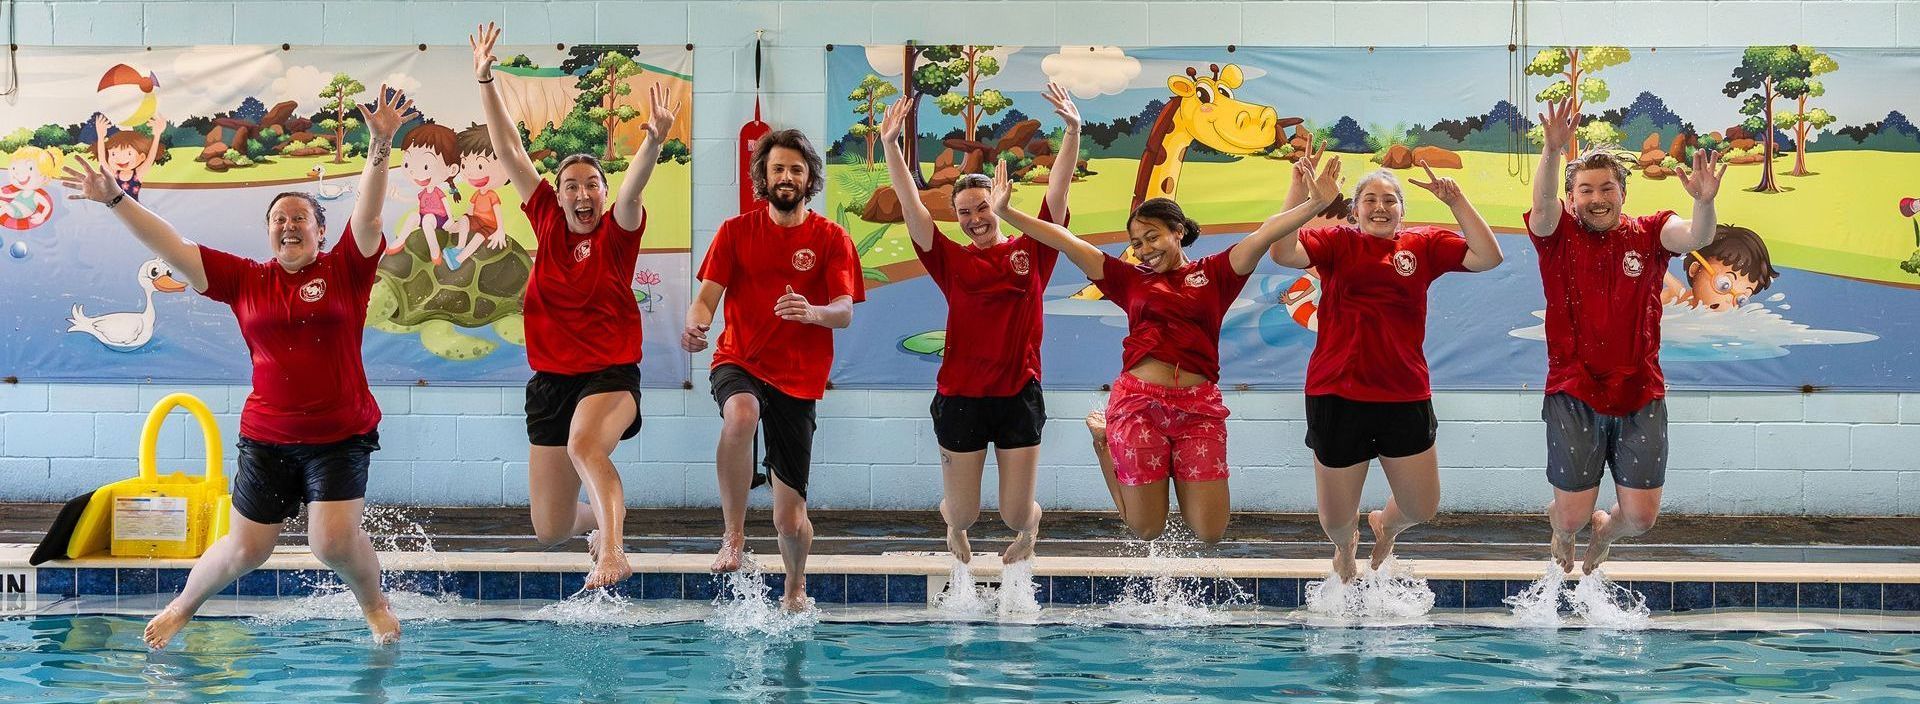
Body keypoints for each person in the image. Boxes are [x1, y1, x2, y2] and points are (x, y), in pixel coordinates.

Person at [61, 89, 417, 649]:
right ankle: (182, 605)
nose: (288, 225)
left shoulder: (348, 267)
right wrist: (114, 201)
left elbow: (368, 213)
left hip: (339, 434)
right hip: (268, 437)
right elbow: (173, 247)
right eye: (278, 219)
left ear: (321, 231)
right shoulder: (248, 280)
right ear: (268, 233)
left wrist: (378, 144)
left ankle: (373, 604)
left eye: (300, 217)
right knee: (247, 549)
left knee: (331, 543)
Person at [998, 157, 1341, 543]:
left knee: (1210, 531)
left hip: (1198, 409)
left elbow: (1265, 235)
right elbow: (1064, 240)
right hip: (1139, 405)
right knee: (1146, 529)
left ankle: (1147, 452)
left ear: (1177, 231)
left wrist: (1313, 204)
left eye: (1152, 237)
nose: (1144, 249)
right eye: (1136, 243)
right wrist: (1006, 211)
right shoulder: (1128, 280)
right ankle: (1104, 442)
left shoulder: (1216, 274)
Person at [473, 22, 676, 590]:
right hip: (550, 381)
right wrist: (486, 78)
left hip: (609, 376)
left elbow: (634, 187)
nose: (582, 193)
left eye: (592, 184)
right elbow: (509, 147)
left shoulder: (618, 232)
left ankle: (613, 553)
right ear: (556, 194)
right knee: (550, 528)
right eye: (571, 185)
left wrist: (653, 140)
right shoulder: (543, 219)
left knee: (585, 444)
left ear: (603, 195)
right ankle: (599, 527)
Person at [1267, 143, 1504, 582]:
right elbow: (1281, 253)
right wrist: (1301, 190)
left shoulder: (1424, 244)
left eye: (1389, 199)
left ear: (1402, 210)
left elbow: (1488, 257)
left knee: (1421, 508)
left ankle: (1384, 525)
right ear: (1354, 211)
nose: (1380, 207)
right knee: (1335, 520)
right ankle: (1345, 546)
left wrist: (1456, 201)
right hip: (1336, 393)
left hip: (1404, 393)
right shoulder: (1337, 243)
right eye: (1369, 200)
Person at [876, 83, 1079, 566]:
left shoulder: (1033, 250)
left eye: (981, 209)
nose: (973, 220)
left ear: (998, 204)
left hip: (1017, 396)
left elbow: (1060, 188)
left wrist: (1072, 130)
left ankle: (1031, 528)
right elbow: (913, 207)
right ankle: (954, 527)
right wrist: (889, 145)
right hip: (961, 397)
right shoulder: (950, 260)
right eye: (963, 213)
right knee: (963, 513)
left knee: (1013, 514)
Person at [1527, 97, 1726, 574]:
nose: (1597, 198)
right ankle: (1563, 526)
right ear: (1572, 197)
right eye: (1586, 190)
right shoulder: (1557, 236)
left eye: (1607, 188)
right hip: (1574, 389)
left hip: (1640, 391)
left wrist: (1704, 202)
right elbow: (1541, 207)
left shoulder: (1650, 232)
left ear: (1622, 192)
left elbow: (1695, 237)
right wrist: (1553, 153)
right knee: (1571, 514)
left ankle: (1605, 531)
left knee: (1640, 519)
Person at [683, 128, 864, 611]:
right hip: (739, 359)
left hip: (799, 378)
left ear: (809, 179)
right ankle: (734, 536)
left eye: (796, 170)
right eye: (778, 168)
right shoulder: (735, 232)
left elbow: (844, 310)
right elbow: (705, 298)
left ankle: (795, 584)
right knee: (740, 414)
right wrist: (697, 326)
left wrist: (814, 312)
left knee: (789, 520)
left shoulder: (831, 238)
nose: (787, 177)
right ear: (763, 176)